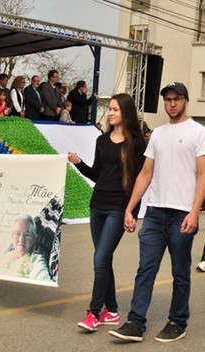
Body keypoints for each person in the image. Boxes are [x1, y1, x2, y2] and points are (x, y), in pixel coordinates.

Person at [109, 82, 205, 343]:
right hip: (155, 212)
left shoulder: (198, 132)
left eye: (176, 98)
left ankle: (177, 321)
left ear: (185, 100)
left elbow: (203, 175)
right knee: (145, 269)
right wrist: (130, 207)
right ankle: (135, 323)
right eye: (168, 99)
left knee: (180, 272)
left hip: (182, 214)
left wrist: (194, 212)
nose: (172, 103)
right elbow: (146, 173)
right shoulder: (157, 134)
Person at [68, 93, 146, 332]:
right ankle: (111, 311)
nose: (110, 113)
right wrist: (79, 163)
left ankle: (94, 312)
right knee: (104, 258)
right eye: (109, 109)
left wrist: (132, 211)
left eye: (115, 109)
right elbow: (97, 175)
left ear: (126, 113)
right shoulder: (101, 140)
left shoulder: (137, 144)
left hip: (118, 208)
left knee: (100, 259)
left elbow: (140, 180)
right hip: (97, 205)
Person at [2, 216, 50, 282]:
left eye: (27, 235)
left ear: (34, 240)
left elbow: (44, 283)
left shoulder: (35, 260)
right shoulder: (4, 258)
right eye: (17, 234)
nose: (21, 240)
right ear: (12, 237)